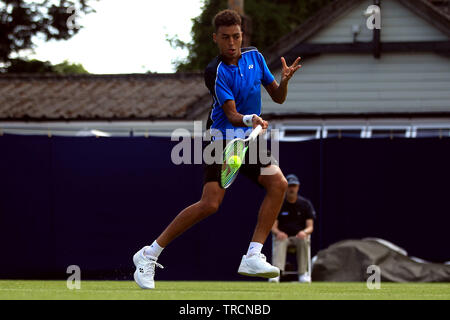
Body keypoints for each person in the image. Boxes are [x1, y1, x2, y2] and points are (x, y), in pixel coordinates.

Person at [132, 9, 302, 289]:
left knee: (279, 184)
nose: (232, 43)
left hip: (249, 138)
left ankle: (253, 255)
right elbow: (233, 114)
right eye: (225, 38)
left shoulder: (255, 58)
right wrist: (251, 119)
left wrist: (283, 81)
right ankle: (150, 254)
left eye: (236, 36)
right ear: (216, 39)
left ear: (242, 35)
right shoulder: (215, 71)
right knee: (210, 204)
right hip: (221, 139)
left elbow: (278, 98)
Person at [270, 174, 316, 283]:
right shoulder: (279, 204)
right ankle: (276, 273)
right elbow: (273, 226)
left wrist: (304, 232)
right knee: (279, 239)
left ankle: (303, 273)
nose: (292, 188)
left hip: (298, 238)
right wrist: (278, 233)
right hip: (284, 238)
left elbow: (310, 227)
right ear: (286, 187)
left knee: (304, 239)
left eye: (294, 186)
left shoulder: (305, 204)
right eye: (290, 186)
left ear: (298, 187)